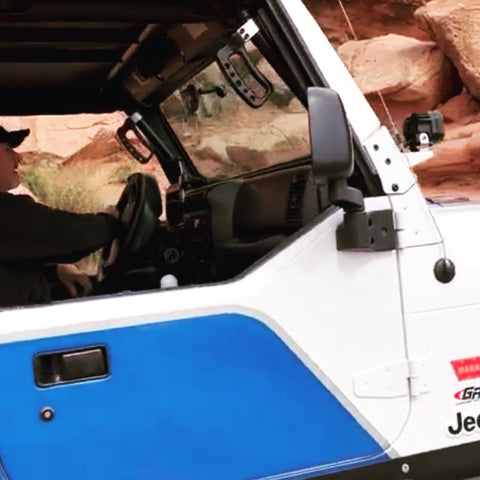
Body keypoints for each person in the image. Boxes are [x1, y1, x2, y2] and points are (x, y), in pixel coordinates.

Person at [0, 126, 118, 307]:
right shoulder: (6, 211)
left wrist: (54, 272)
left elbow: (11, 264)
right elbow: (73, 234)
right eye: (8, 150)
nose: (18, 158)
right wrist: (113, 222)